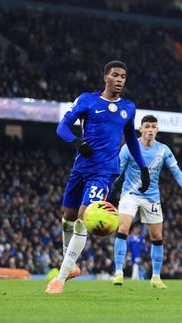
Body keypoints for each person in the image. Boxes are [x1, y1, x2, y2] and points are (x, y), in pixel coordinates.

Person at [46, 61, 150, 294]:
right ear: (105, 77)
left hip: (104, 172)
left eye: (123, 76)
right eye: (115, 75)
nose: (120, 79)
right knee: (68, 218)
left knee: (84, 217)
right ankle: (71, 265)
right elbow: (62, 127)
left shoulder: (128, 108)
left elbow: (131, 140)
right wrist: (76, 142)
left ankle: (59, 280)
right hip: (81, 168)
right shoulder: (87, 100)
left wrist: (142, 167)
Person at [112, 115, 182, 288]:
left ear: (157, 130)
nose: (151, 130)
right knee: (123, 228)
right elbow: (117, 172)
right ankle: (118, 272)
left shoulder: (163, 150)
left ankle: (156, 277)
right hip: (130, 194)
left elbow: (176, 171)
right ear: (141, 129)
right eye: (147, 126)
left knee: (157, 236)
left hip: (152, 197)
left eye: (153, 126)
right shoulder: (129, 148)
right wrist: (104, 189)